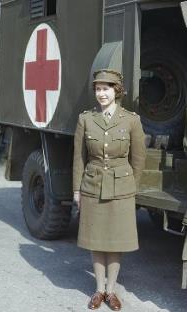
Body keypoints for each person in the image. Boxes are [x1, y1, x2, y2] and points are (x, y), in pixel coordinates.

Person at [72, 69, 146, 311]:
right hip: (92, 185)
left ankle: (111, 290)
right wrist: (77, 190)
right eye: (98, 89)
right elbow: (78, 159)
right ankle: (99, 289)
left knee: (115, 241)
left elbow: (138, 158)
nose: (101, 94)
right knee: (96, 240)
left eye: (106, 89)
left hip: (121, 187)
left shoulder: (131, 120)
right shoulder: (86, 119)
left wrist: (130, 187)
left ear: (117, 91)